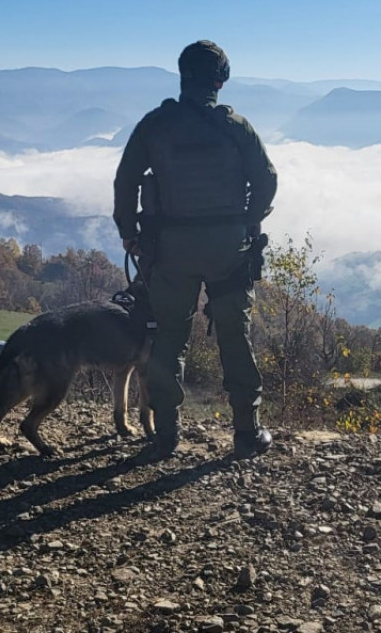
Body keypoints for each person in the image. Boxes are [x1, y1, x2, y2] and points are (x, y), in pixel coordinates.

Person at [113, 40, 278, 460]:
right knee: (235, 338)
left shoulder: (155, 124)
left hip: (170, 249)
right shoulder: (236, 127)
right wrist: (249, 218)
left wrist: (129, 232)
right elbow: (267, 179)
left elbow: (125, 180)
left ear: (183, 76)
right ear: (221, 81)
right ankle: (246, 432)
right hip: (229, 248)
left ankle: (166, 433)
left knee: (169, 336)